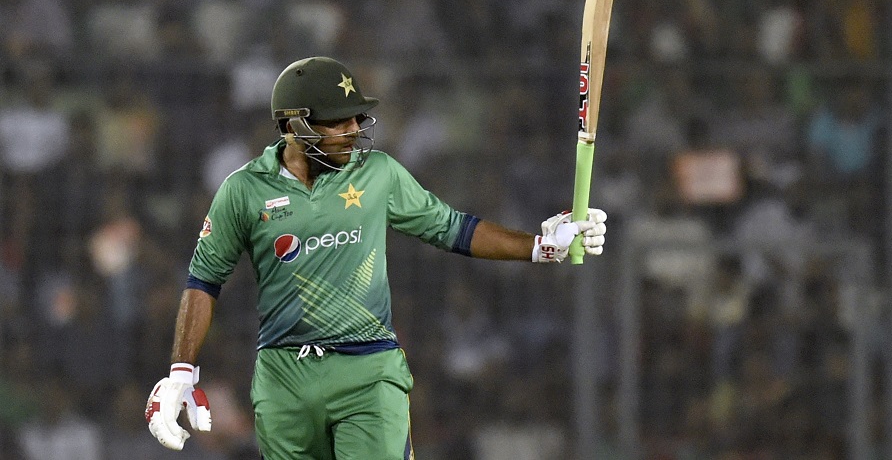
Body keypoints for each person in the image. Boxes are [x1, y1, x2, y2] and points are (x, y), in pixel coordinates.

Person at [145, 56, 607, 459]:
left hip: (367, 371)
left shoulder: (379, 174)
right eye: (338, 122)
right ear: (294, 126)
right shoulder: (243, 190)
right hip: (283, 381)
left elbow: (452, 228)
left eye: (356, 119)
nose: (353, 132)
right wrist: (180, 372)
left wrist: (540, 246)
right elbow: (204, 280)